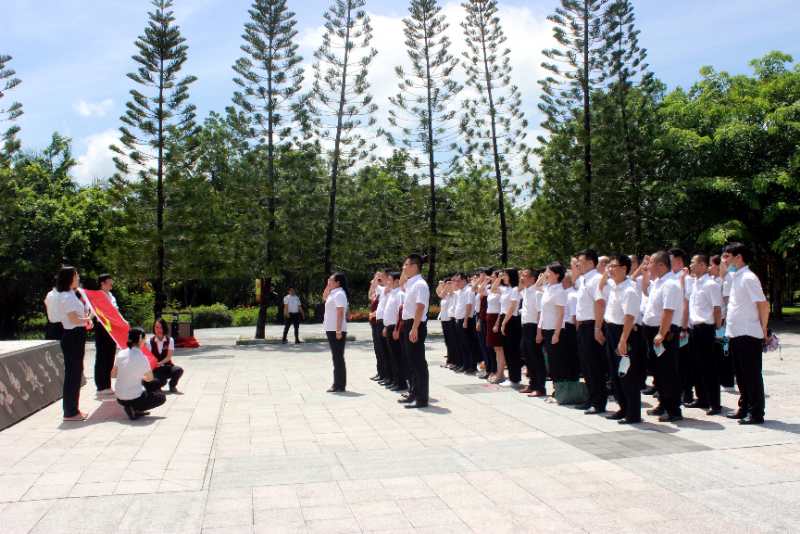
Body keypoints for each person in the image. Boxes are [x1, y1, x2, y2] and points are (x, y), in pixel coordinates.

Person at [723, 242, 769, 424]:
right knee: (741, 375)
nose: (725, 261)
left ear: (739, 257)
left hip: (749, 333)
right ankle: (744, 407)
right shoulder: (736, 277)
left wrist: (763, 328)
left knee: (751, 375)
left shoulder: (749, 278)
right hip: (736, 333)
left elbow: (763, 304)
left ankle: (756, 412)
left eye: (728, 256)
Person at [643, 251, 684, 422]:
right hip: (652, 330)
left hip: (664, 332)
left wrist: (661, 332)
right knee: (658, 372)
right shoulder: (657, 282)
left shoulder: (671, 284)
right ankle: (663, 403)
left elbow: (668, 311)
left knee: (667, 372)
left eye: (651, 262)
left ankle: (673, 410)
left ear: (661, 265)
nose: (648, 266)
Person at [602, 255, 643, 424]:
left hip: (625, 333)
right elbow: (601, 284)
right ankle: (623, 407)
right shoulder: (614, 286)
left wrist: (623, 340)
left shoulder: (629, 289)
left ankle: (633, 413)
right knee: (615, 373)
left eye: (614, 266)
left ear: (624, 269)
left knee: (627, 374)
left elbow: (629, 316)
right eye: (609, 266)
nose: (610, 270)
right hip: (611, 330)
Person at [686, 255, 723, 414]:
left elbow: (717, 308)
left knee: (709, 367)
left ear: (702, 264)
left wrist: (716, 329)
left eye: (693, 263)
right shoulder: (695, 283)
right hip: (694, 328)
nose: (691, 266)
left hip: (706, 328)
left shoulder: (711, 284)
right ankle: (702, 398)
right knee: (695, 366)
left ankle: (715, 404)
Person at [55, 266, 92, 421]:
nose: (78, 278)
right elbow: (73, 319)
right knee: (72, 374)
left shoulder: (73, 294)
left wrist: (87, 318)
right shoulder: (65, 296)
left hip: (78, 334)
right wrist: (87, 320)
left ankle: (73, 409)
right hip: (72, 336)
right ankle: (70, 412)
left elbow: (80, 315)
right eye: (76, 276)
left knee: (77, 372)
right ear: (69, 278)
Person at [574, 249, 607, 414]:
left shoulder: (596, 279)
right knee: (586, 366)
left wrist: (597, 328)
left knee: (595, 366)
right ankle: (591, 398)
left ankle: (599, 402)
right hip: (583, 326)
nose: (577, 264)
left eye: (580, 260)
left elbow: (600, 304)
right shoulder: (583, 280)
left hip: (593, 325)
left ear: (589, 262)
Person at [398, 254, 430, 409]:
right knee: (411, 362)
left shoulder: (421, 285)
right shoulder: (412, 283)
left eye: (406, 265)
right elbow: (401, 282)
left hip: (415, 324)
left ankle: (422, 398)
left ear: (414, 266)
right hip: (408, 323)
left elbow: (420, 307)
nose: (403, 268)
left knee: (418, 363)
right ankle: (413, 393)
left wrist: (414, 328)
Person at [114, 328, 167, 420]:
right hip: (134, 398)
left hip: (119, 398)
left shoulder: (121, 353)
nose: (145, 341)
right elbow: (149, 378)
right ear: (140, 339)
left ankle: (132, 407)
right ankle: (134, 407)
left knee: (144, 383)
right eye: (144, 339)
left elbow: (113, 375)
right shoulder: (142, 357)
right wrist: (138, 375)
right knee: (160, 395)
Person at [519, 269, 546, 396]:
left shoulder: (537, 292)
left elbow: (541, 313)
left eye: (524, 276)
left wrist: (539, 332)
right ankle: (532, 384)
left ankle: (540, 387)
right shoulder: (526, 291)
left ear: (532, 278)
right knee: (528, 357)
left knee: (536, 358)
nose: (522, 278)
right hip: (525, 326)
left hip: (534, 327)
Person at [323, 273, 349, 393]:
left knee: (338, 357)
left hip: (336, 330)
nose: (329, 281)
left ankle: (339, 384)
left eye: (331, 280)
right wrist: (328, 286)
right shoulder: (333, 293)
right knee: (336, 357)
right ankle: (338, 383)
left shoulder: (339, 294)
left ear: (338, 282)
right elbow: (324, 298)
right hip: (330, 328)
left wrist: (338, 329)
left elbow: (340, 312)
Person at [94, 274, 118, 399]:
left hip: (111, 329)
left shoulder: (111, 296)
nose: (111, 285)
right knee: (101, 357)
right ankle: (101, 386)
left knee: (110, 356)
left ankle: (107, 385)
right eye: (109, 282)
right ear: (102, 283)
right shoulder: (97, 296)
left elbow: (116, 311)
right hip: (102, 327)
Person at [382, 272, 408, 391]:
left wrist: (397, 329)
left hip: (395, 328)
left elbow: (400, 313)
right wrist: (386, 327)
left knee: (397, 356)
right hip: (389, 327)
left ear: (397, 281)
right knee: (392, 356)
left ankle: (401, 383)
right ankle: (395, 380)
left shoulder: (400, 294)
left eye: (390, 280)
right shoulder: (392, 294)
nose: (388, 282)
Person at [499, 269, 522, 386]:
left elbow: (512, 307)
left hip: (511, 320)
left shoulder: (515, 289)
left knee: (512, 350)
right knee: (507, 350)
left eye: (505, 275)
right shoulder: (507, 289)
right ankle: (512, 377)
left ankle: (515, 378)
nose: (503, 277)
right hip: (505, 317)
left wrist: (504, 322)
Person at [150, 318, 184, 393]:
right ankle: (160, 383)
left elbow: (169, 357)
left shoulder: (170, 340)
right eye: (156, 327)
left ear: (164, 328)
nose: (158, 329)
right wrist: (155, 364)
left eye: (161, 327)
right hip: (156, 369)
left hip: (167, 366)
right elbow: (149, 357)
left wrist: (160, 363)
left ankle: (172, 385)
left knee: (178, 370)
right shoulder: (150, 341)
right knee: (161, 382)